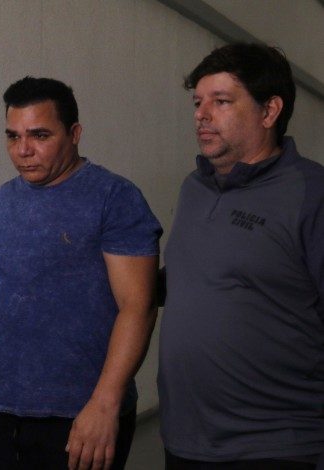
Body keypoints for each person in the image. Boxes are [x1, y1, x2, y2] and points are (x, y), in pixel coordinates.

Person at [0, 76, 162, 470]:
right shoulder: (1, 201)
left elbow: (138, 306)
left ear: (74, 134)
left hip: (81, 413)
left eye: (40, 135)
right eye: (13, 136)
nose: (23, 150)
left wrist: (105, 404)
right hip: (3, 405)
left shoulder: (114, 198)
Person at [158, 43, 324, 469]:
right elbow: (190, 277)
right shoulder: (194, 188)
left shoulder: (311, 194)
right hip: (184, 440)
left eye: (221, 101)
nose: (201, 114)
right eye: (198, 102)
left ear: (269, 112)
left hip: (275, 446)